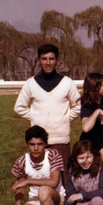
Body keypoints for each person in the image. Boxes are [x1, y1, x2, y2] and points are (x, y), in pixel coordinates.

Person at [14, 44, 81, 185]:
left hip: (61, 139)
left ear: (57, 60)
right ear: (38, 60)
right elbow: (19, 107)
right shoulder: (31, 83)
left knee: (64, 178)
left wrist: (65, 118)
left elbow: (78, 106)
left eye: (51, 58)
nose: (48, 62)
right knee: (41, 176)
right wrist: (35, 116)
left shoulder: (67, 82)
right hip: (39, 140)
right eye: (44, 59)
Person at [11, 125, 65, 205]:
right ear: (26, 144)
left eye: (40, 144)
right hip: (35, 199)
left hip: (55, 197)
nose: (36, 148)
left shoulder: (53, 155)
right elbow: (21, 187)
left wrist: (28, 181)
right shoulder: (22, 161)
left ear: (46, 144)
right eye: (32, 144)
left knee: (43, 191)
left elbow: (53, 182)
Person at [62, 140, 103, 205]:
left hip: (98, 203)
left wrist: (81, 195)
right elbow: (69, 195)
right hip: (81, 204)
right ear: (75, 159)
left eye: (88, 157)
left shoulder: (101, 168)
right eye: (81, 158)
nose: (85, 161)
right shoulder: (72, 171)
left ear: (93, 155)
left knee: (96, 202)